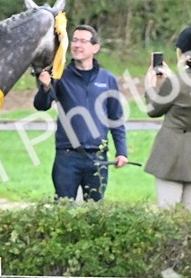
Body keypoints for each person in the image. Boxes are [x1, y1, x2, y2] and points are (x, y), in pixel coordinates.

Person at [33, 24, 128, 202]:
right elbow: (41, 105)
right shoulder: (60, 76)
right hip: (67, 156)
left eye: (83, 41)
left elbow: (116, 118)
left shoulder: (107, 79)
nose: (77, 45)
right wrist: (45, 86)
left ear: (95, 48)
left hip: (98, 157)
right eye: (75, 40)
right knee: (63, 211)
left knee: (94, 214)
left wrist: (122, 152)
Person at [143, 26, 191, 210]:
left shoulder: (175, 82)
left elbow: (153, 109)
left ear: (182, 53)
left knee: (168, 213)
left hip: (171, 153)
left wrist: (151, 85)